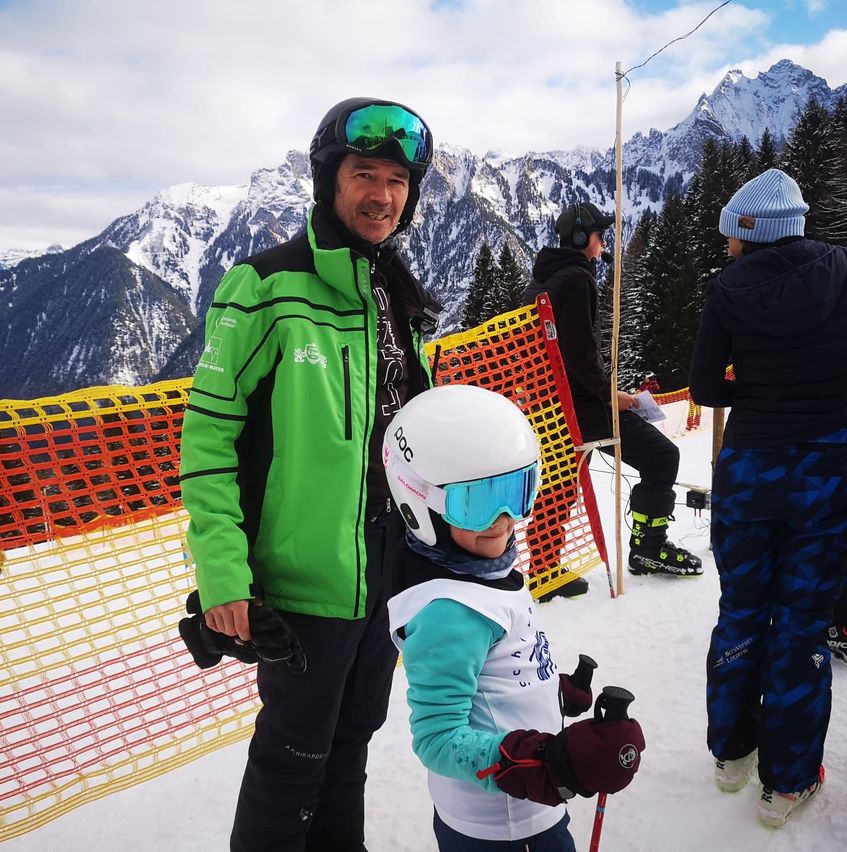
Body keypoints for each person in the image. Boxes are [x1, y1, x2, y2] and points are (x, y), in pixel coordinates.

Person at [179, 97, 442, 851]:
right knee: (290, 764)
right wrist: (224, 571)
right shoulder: (264, 286)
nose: (383, 194)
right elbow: (208, 435)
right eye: (366, 173)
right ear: (331, 179)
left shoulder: (395, 293)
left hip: (388, 571)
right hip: (305, 583)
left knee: (352, 746)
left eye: (398, 180)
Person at [383, 384, 645, 850]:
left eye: (516, 490)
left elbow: (491, 668)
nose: (504, 519)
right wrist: (550, 762)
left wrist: (550, 689)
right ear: (421, 504)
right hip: (500, 824)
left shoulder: (480, 570)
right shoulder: (450, 612)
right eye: (479, 502)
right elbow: (438, 738)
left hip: (529, 806)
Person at [689, 168, 847, 827]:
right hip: (830, 470)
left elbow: (702, 387)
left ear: (747, 232)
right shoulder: (844, 269)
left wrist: (752, 395)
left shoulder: (726, 290)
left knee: (743, 611)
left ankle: (732, 754)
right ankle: (786, 785)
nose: (725, 246)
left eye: (730, 235)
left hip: (750, 467)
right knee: (803, 621)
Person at [523, 202, 702, 585]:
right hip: (580, 404)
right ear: (580, 238)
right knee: (662, 457)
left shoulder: (540, 282)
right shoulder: (577, 280)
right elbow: (581, 356)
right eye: (600, 236)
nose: (603, 243)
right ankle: (649, 548)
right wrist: (611, 395)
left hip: (547, 401)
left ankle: (542, 565)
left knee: (563, 477)